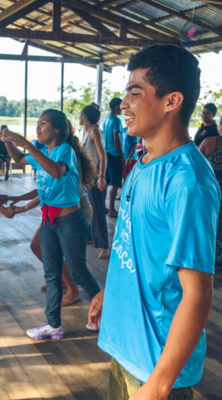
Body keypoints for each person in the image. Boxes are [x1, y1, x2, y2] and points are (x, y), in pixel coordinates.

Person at [88, 45, 220, 400]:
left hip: (158, 366)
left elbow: (198, 293)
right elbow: (136, 247)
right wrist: (110, 292)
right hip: (126, 347)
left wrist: (159, 384)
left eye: (135, 93)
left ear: (171, 101)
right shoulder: (144, 163)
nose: (124, 104)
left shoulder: (187, 181)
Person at [0, 109, 101, 339]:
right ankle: (53, 324)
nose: (38, 127)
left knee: (78, 270)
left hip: (70, 221)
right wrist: (8, 141)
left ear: (56, 129)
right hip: (49, 220)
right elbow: (18, 159)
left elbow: (56, 171)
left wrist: (26, 142)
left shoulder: (64, 151)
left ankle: (106, 311)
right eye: (37, 123)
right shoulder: (43, 151)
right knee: (52, 273)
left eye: (43, 123)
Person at [80, 103, 110, 259]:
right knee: (89, 208)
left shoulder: (94, 132)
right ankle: (91, 236)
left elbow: (102, 155)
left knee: (97, 210)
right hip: (88, 177)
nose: (79, 117)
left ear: (84, 116)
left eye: (80, 115)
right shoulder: (86, 133)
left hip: (96, 177)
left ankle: (104, 246)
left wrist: (101, 177)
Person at [199, 136, 222, 275]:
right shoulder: (211, 142)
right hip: (211, 195)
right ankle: (209, 262)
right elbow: (194, 165)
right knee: (209, 227)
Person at [102, 97, 124, 218]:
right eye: (120, 106)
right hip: (114, 155)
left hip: (106, 154)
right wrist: (122, 156)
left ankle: (104, 206)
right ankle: (111, 209)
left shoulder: (106, 119)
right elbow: (117, 139)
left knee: (106, 181)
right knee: (115, 183)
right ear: (116, 107)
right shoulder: (116, 121)